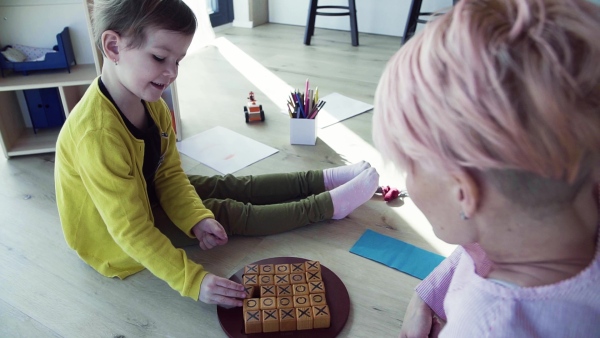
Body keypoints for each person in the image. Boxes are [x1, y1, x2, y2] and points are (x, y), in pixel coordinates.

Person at [54, 0, 379, 308]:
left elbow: (167, 175)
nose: (171, 73)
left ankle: (323, 179)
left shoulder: (151, 102)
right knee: (226, 212)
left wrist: (193, 216)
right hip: (116, 238)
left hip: (145, 190)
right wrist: (194, 280)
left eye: (178, 61)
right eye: (159, 58)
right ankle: (325, 207)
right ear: (113, 47)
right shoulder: (97, 136)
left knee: (230, 186)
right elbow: (131, 231)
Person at [372, 0, 600, 336]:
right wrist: (427, 296)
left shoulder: (488, 325)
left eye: (408, 166)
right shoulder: (555, 217)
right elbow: (477, 245)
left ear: (464, 193)